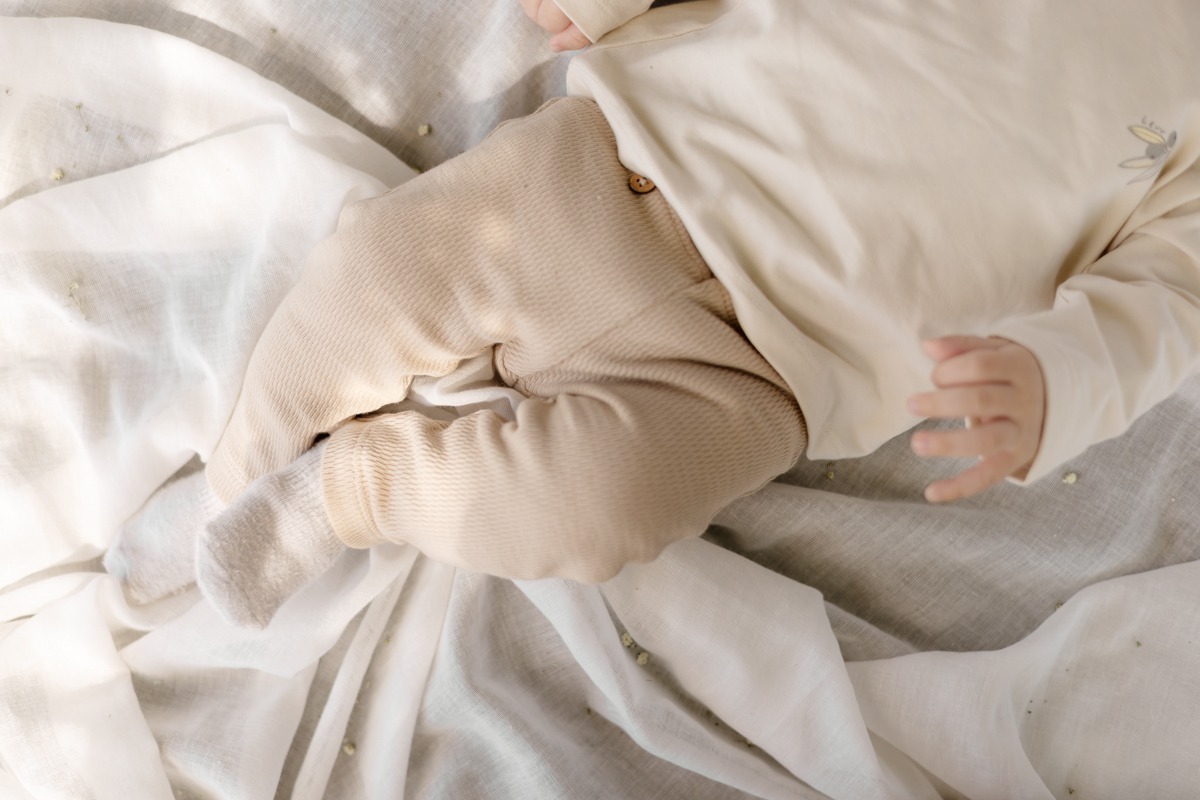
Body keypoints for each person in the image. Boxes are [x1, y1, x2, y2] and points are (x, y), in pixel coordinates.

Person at [108, 0, 1200, 628]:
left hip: (761, 376)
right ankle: (234, 476)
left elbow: (1170, 303)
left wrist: (1056, 385)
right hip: (627, 164)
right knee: (378, 275)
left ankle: (349, 491)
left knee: (594, 508)